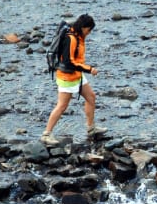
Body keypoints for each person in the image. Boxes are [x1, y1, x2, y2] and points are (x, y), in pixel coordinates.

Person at [40, 14, 107, 144]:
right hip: (67, 76)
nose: (89, 33)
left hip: (76, 74)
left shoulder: (78, 36)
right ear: (83, 27)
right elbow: (68, 62)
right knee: (62, 106)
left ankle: (91, 128)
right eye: (89, 30)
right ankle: (46, 134)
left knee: (91, 97)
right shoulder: (71, 39)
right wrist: (89, 69)